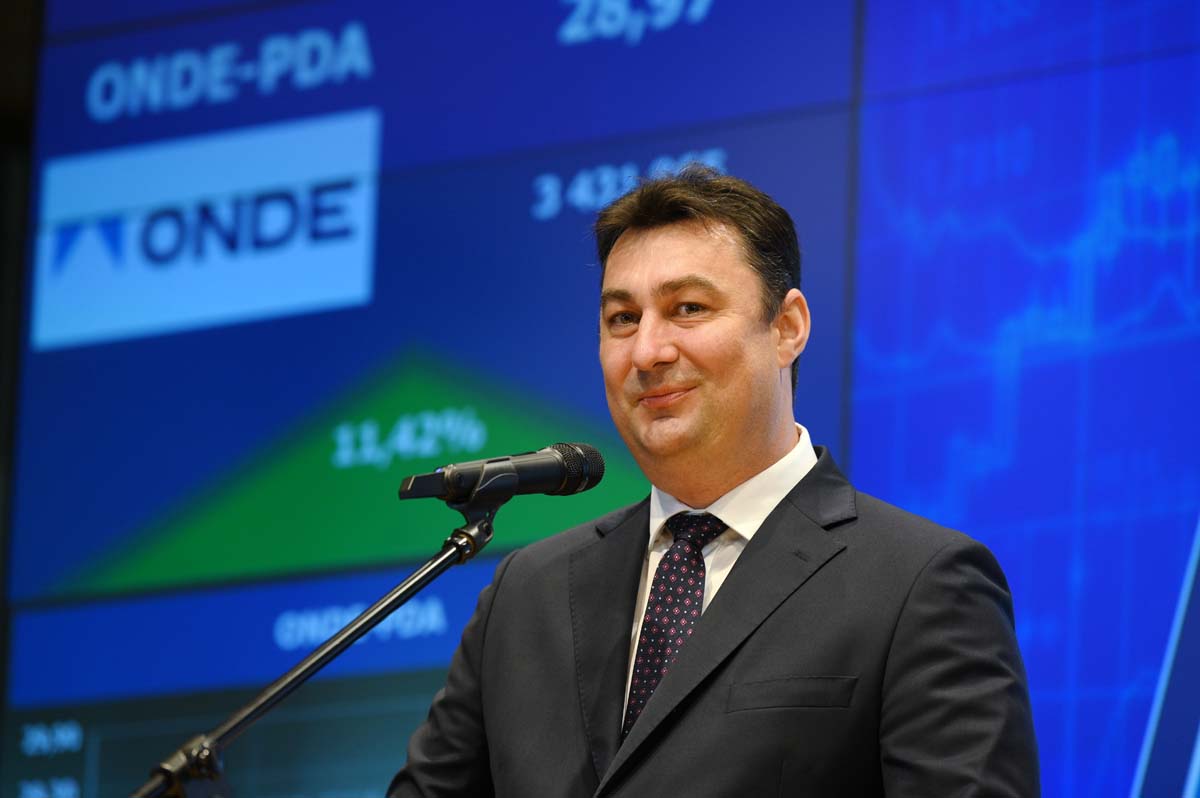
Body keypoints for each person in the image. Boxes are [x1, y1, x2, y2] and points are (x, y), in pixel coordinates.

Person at [388, 166, 1039, 796]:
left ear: (787, 328)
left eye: (688, 308)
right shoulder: (527, 592)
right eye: (622, 319)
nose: (648, 352)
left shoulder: (919, 584)